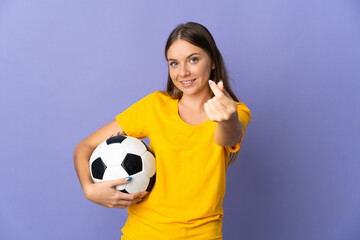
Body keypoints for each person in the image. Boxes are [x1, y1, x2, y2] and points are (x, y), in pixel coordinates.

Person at [73, 22, 251, 240]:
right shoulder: (154, 107)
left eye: (193, 59)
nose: (183, 72)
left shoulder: (234, 111)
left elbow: (228, 137)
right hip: (143, 233)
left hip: (203, 234)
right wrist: (89, 189)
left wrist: (228, 118)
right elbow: (85, 147)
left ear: (212, 61)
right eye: (174, 63)